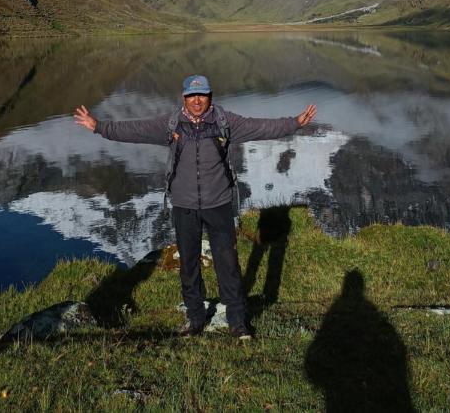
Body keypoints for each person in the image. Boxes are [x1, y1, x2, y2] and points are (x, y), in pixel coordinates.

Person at [74, 74, 317, 339]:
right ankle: (195, 319)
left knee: (228, 264)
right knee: (189, 265)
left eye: (202, 95)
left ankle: (238, 322)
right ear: (184, 98)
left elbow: (260, 127)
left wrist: (294, 123)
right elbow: (136, 130)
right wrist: (99, 126)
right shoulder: (170, 124)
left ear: (210, 97)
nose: (197, 100)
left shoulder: (225, 122)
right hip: (184, 205)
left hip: (219, 203)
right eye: (192, 96)